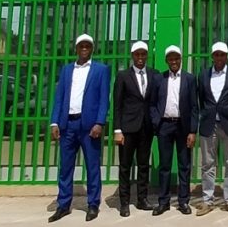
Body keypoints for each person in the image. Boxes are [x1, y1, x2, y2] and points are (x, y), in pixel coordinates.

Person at [48, 34, 111, 223]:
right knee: (65, 167)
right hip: (68, 124)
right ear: (76, 48)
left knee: (92, 166)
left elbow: (104, 99)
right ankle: (63, 204)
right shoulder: (67, 70)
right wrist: (54, 122)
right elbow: (59, 96)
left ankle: (93, 204)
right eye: (81, 46)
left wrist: (99, 122)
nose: (84, 49)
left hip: (89, 126)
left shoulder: (101, 70)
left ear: (92, 49)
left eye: (87, 46)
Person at [149, 45, 199, 216]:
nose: (174, 61)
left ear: (180, 59)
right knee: (165, 165)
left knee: (184, 165)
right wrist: (156, 122)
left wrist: (192, 131)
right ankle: (163, 202)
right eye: (170, 58)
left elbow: (194, 107)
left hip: (183, 126)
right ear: (166, 60)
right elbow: (152, 104)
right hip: (164, 126)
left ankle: (184, 201)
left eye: (176, 58)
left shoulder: (189, 79)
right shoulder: (159, 79)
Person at [196, 42, 228, 216]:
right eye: (216, 54)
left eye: (222, 54)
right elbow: (202, 99)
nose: (219, 57)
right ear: (212, 56)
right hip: (209, 124)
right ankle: (207, 200)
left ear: (227, 56)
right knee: (207, 164)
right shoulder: (203, 75)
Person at [113, 41, 158, 217]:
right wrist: (117, 129)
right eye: (137, 54)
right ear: (132, 56)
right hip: (127, 128)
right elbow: (117, 104)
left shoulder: (154, 74)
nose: (140, 57)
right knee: (125, 166)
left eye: (143, 54)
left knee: (144, 165)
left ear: (147, 55)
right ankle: (124, 202)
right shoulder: (123, 76)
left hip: (146, 128)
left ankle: (142, 199)